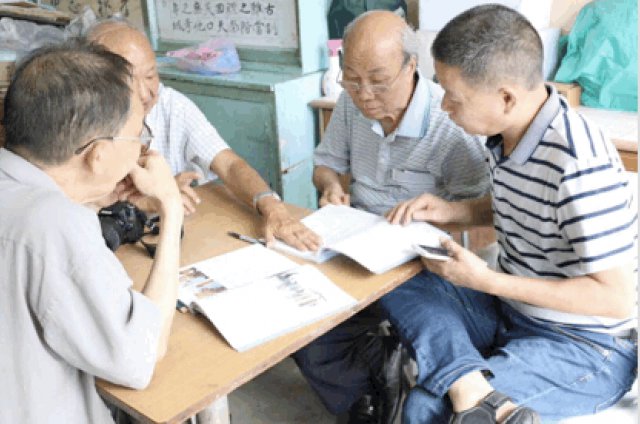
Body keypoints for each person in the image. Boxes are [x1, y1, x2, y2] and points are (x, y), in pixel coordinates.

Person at [383, 4, 638, 423]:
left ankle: (463, 383)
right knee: (396, 278)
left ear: (506, 98)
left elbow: (614, 298)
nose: (444, 106)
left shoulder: (578, 162)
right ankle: (469, 384)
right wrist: (451, 211)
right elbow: (526, 208)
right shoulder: (507, 134)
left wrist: (485, 280)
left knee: (428, 408)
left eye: (454, 96)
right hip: (511, 312)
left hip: (584, 346)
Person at [293, 10, 489, 424]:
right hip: (353, 241)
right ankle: (368, 389)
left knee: (411, 308)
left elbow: (481, 213)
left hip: (418, 258)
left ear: (410, 66)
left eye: (378, 81)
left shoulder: (450, 122)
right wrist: (330, 186)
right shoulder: (352, 105)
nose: (364, 94)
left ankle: (389, 379)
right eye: (352, 79)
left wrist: (438, 218)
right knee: (298, 317)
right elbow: (326, 164)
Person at [0, 41, 184, 423]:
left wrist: (89, 198)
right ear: (98, 155)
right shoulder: (56, 225)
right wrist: (172, 207)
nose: (141, 148)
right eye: (138, 135)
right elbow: (141, 356)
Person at [86, 19, 320, 251]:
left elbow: (228, 164)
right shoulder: (79, 121)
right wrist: (152, 198)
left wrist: (273, 208)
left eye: (150, 76)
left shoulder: (171, 106)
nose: (145, 94)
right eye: (127, 82)